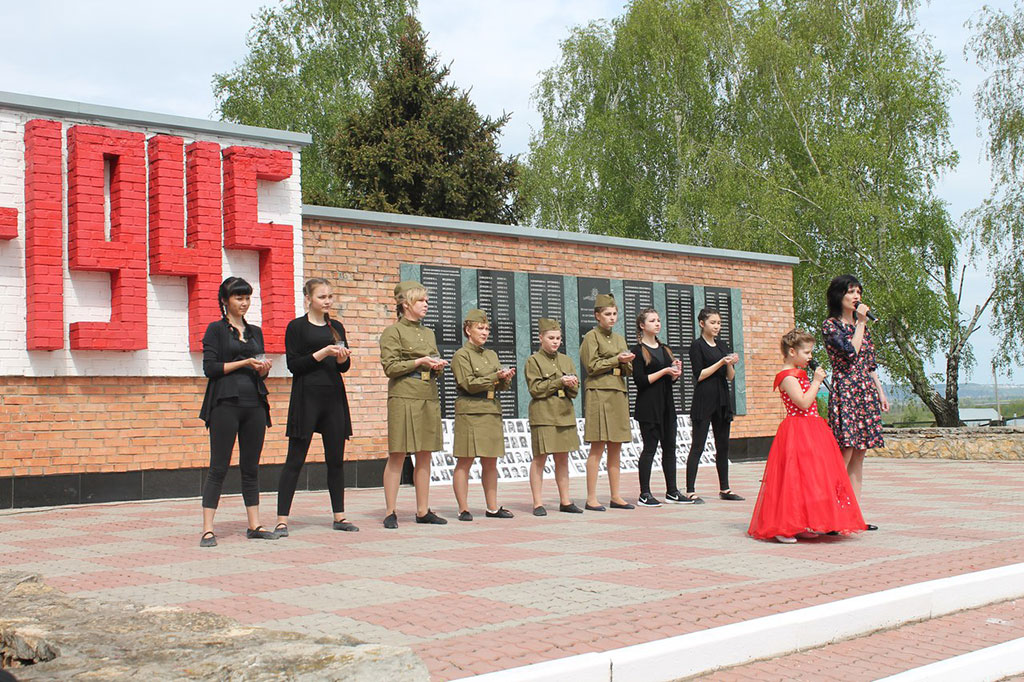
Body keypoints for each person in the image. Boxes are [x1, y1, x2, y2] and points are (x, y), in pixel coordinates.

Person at [748, 329, 867, 543]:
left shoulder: (798, 374)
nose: (810, 357)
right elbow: (802, 402)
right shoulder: (786, 376)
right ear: (792, 352)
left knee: (809, 478)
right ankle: (783, 527)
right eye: (807, 352)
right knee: (793, 479)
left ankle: (801, 522)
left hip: (812, 429)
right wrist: (817, 381)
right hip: (797, 430)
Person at [274, 278, 358, 536]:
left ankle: (339, 516)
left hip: (333, 397)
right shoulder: (296, 327)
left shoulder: (337, 327)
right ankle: (282, 520)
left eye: (330, 296)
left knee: (336, 460)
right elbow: (294, 365)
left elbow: (344, 367)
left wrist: (342, 359)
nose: (327, 301)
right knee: (295, 459)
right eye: (322, 297)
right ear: (308, 299)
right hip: (306, 397)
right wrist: (322, 353)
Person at [198, 277, 276, 547]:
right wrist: (244, 362)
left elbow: (260, 372)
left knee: (251, 466)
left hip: (254, 403)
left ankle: (254, 524)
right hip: (225, 403)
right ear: (225, 300)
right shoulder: (216, 330)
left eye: (247, 298)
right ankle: (208, 529)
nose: (244, 303)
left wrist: (263, 369)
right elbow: (210, 368)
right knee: (219, 466)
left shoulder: (255, 331)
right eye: (238, 298)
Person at [379, 280, 449, 528]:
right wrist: (419, 362)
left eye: (426, 300)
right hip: (404, 395)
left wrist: (437, 366)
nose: (426, 304)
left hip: (427, 394)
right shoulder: (393, 332)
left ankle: (423, 510)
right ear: (406, 304)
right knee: (398, 453)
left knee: (425, 453)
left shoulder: (428, 333)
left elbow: (433, 361)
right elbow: (390, 367)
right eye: (420, 300)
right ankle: (390, 511)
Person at [822, 274, 888, 531]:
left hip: (865, 392)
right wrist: (860, 323)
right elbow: (850, 353)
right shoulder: (831, 326)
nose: (856, 296)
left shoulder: (862, 327)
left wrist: (880, 392)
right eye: (851, 292)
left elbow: (869, 364)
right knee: (845, 452)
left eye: (858, 291)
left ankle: (854, 515)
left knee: (860, 455)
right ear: (839, 295)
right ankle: (832, 514)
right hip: (846, 390)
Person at [450, 309, 516, 521]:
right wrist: (495, 377)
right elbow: (468, 383)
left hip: (490, 409)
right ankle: (463, 508)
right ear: (468, 330)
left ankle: (492, 507)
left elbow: (499, 385)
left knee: (490, 462)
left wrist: (505, 378)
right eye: (480, 328)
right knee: (465, 460)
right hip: (470, 410)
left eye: (487, 328)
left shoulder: (491, 355)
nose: (485, 332)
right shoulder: (461, 355)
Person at [580, 293, 636, 511]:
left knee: (616, 446)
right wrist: (616, 359)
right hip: (599, 392)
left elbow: (627, 370)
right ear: (597, 316)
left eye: (614, 314)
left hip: (617, 391)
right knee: (598, 446)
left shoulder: (619, 339)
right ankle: (591, 497)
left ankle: (615, 495)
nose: (612, 318)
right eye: (607, 314)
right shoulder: (591, 337)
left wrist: (627, 362)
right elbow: (591, 366)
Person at [525, 318, 584, 516]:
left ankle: (565, 500)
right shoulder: (534, 361)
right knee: (540, 458)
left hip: (564, 413)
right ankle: (537, 503)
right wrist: (560, 382)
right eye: (551, 338)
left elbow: (575, 391)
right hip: (544, 414)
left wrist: (571, 384)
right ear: (541, 338)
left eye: (558, 338)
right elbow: (535, 389)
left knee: (563, 459)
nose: (555, 342)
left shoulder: (566, 360)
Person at [685, 307, 743, 503]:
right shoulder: (697, 346)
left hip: (722, 398)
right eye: (713, 323)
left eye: (719, 323)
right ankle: (690, 490)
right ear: (702, 324)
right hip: (704, 398)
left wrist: (730, 363)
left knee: (723, 445)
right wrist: (720, 362)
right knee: (698, 445)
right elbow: (699, 375)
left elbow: (730, 376)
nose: (717, 326)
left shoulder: (722, 345)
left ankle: (725, 488)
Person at [631, 308, 685, 506]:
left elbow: (670, 381)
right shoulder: (637, 350)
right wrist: (664, 371)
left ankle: (672, 491)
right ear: (642, 325)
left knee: (670, 448)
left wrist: (675, 373)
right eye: (652, 320)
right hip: (648, 406)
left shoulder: (665, 349)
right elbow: (640, 381)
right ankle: (645, 493)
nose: (657, 323)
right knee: (650, 449)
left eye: (658, 320)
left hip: (667, 406)